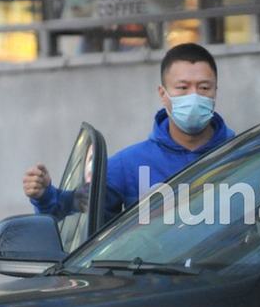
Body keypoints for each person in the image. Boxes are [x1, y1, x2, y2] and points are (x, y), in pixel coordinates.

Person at [23, 43, 235, 220]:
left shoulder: (243, 156)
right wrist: (44, 196)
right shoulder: (130, 165)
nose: (194, 96)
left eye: (204, 88)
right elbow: (74, 208)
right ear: (163, 94)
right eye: (182, 88)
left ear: (216, 91)